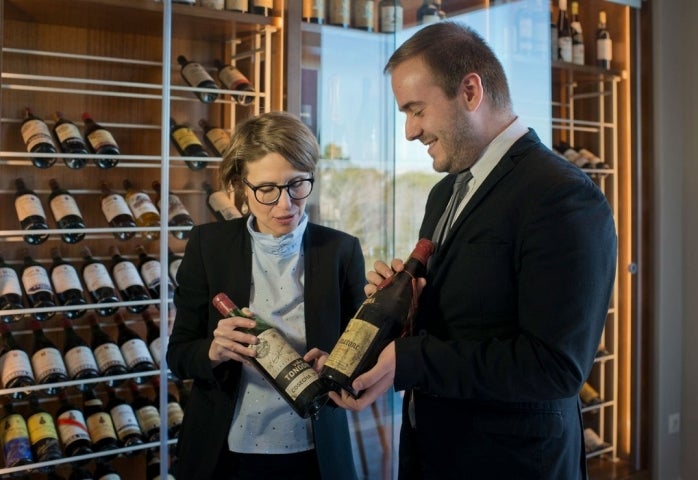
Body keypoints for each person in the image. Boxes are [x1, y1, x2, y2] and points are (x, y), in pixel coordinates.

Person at [328, 21, 618, 479]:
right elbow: (463, 318)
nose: (409, 131)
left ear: (469, 91)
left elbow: (555, 368)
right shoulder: (443, 194)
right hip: (432, 454)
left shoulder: (562, 196)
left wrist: (412, 360)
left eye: (416, 110)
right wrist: (406, 313)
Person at [167, 111, 367, 480]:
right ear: (240, 185)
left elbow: (362, 359)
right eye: (266, 190)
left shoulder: (342, 251)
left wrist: (339, 366)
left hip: (316, 452)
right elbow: (178, 356)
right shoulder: (208, 246)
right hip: (224, 452)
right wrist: (212, 351)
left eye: (297, 185)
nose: (284, 205)